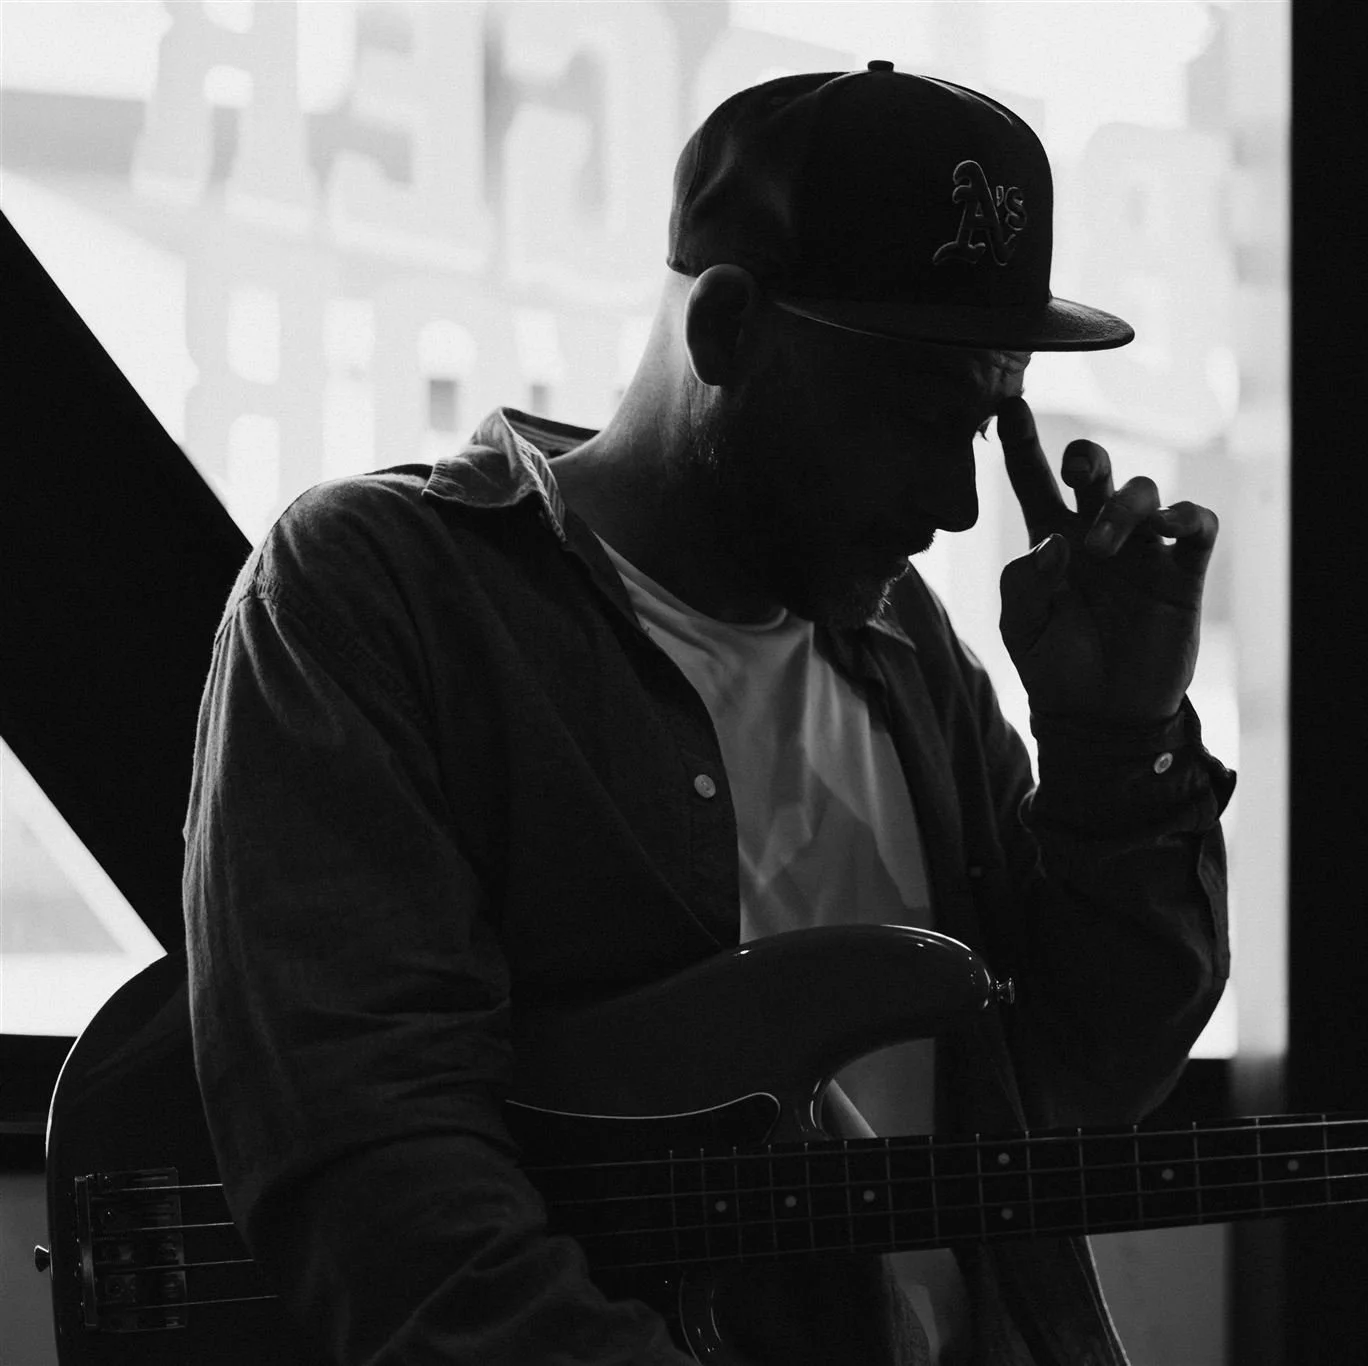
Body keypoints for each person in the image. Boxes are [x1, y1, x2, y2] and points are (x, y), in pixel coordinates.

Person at [183, 61, 1233, 1366]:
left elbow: (1082, 1078)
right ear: (727, 328)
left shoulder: (910, 653)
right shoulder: (382, 596)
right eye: (917, 415)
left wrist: (1118, 743)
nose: (960, 504)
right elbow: (387, 1195)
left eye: (981, 423)